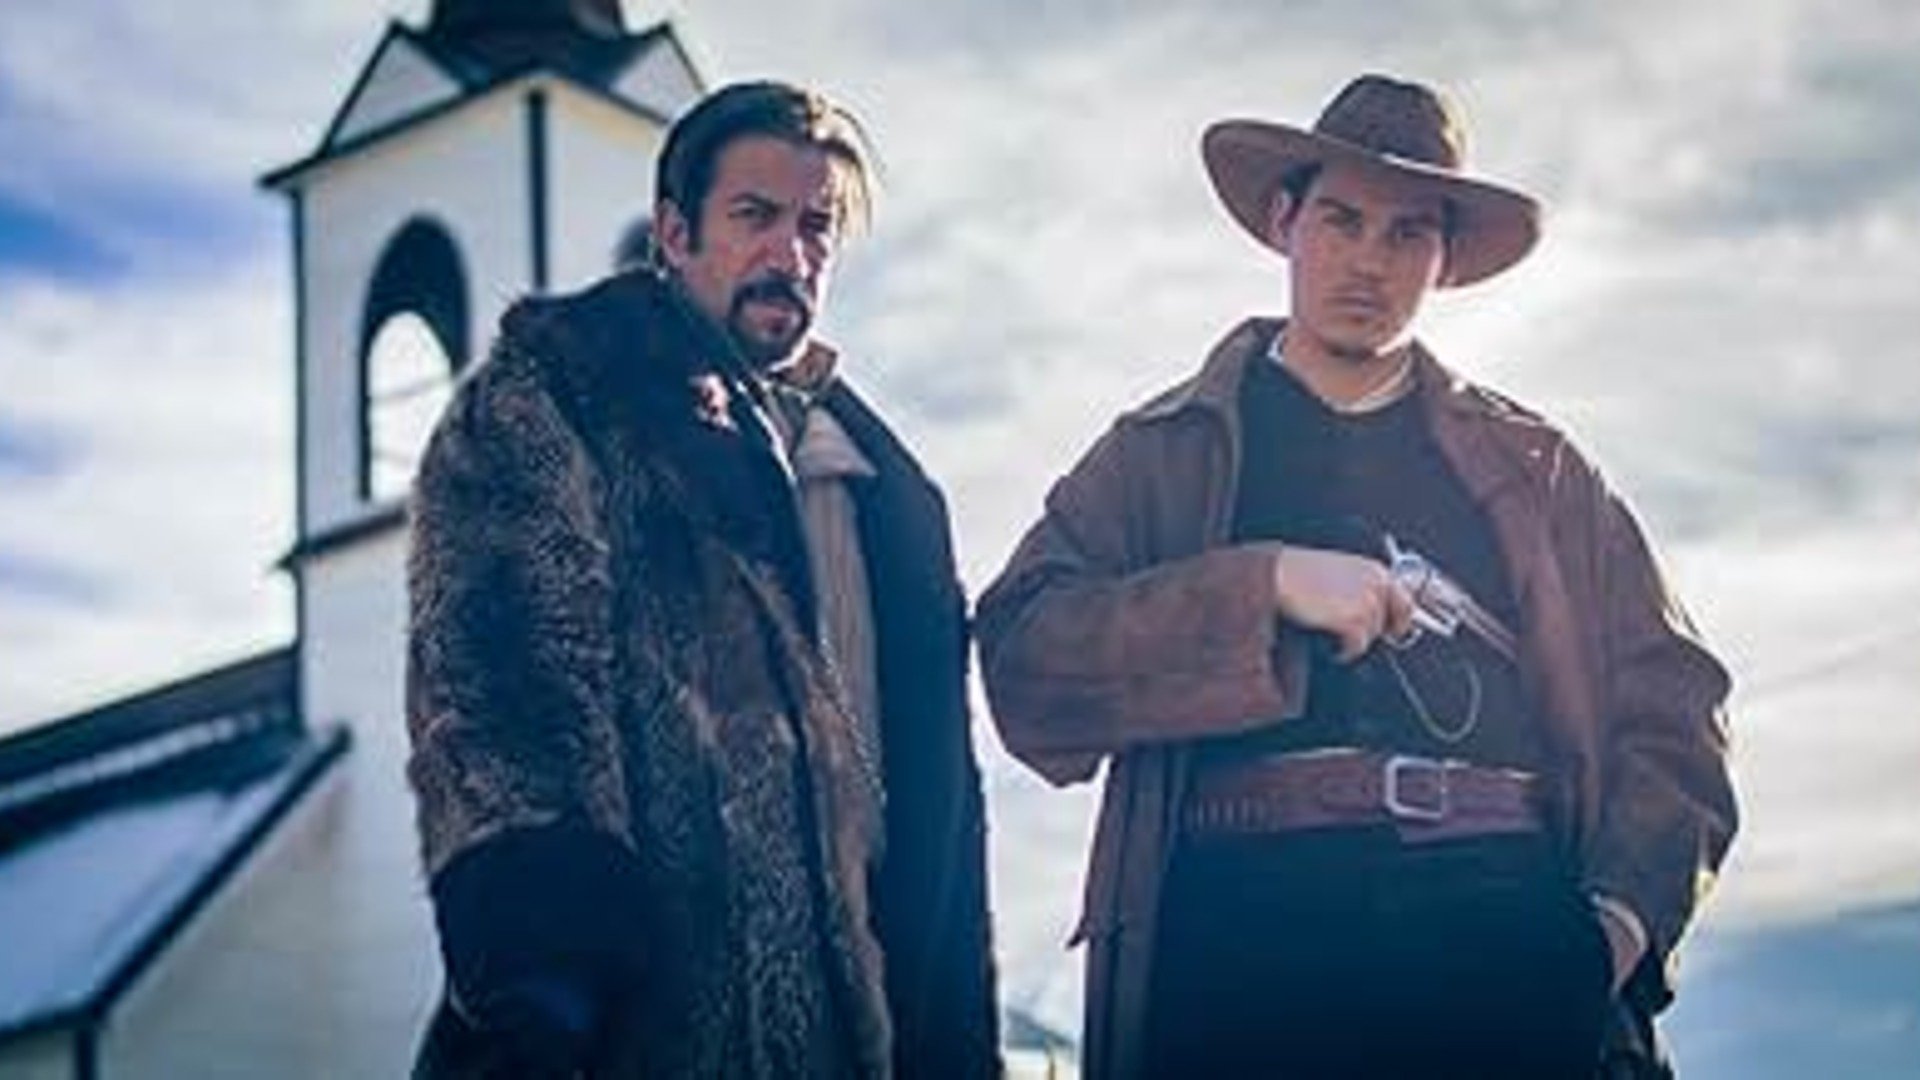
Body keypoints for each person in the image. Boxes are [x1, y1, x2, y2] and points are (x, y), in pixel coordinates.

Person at [976, 74, 1736, 1078]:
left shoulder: (1539, 469)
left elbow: (1678, 711)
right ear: (1283, 221)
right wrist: (1262, 586)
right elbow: (1024, 658)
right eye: (1341, 219)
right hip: (1238, 942)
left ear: (1445, 260)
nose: (1369, 261)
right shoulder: (1159, 452)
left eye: (1407, 233)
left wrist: (1609, 936)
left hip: (1500, 929)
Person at [404, 80, 999, 1079]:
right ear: (675, 235)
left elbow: (940, 823)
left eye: (815, 227)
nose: (791, 255)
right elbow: (509, 714)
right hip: (652, 1037)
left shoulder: (887, 492)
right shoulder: (557, 401)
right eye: (755, 216)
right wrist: (544, 1011)